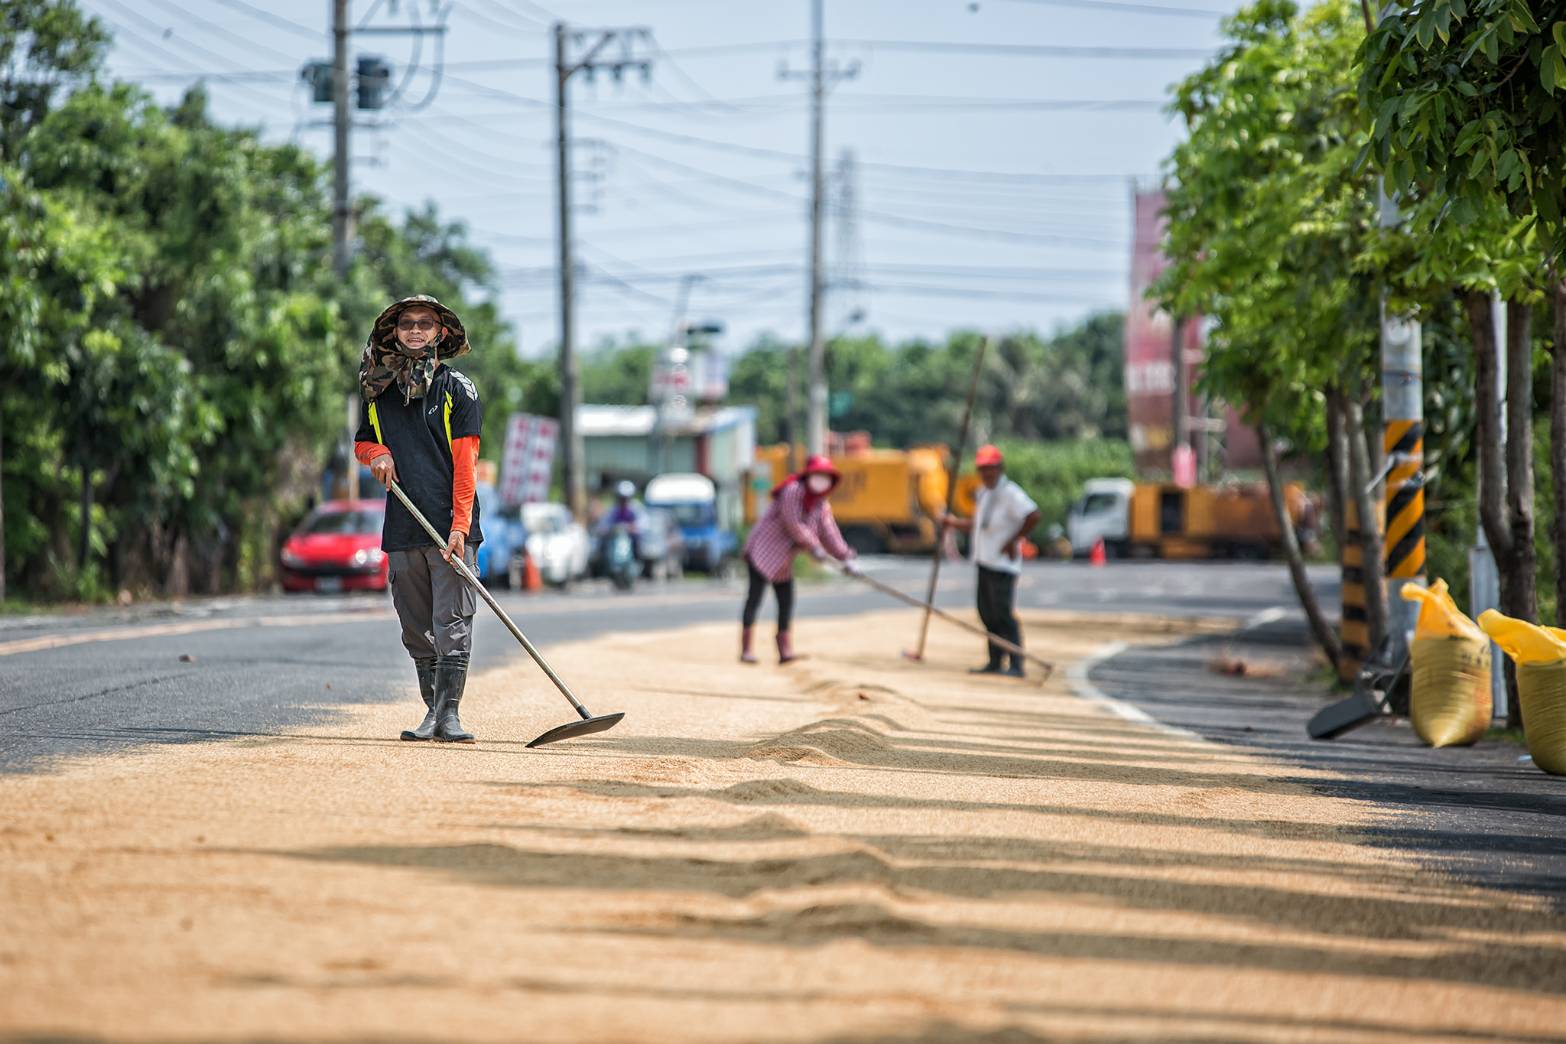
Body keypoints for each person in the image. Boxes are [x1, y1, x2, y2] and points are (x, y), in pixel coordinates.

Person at [352, 295, 485, 743]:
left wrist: (460, 530)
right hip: (404, 526)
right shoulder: (378, 390)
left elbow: (466, 468)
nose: (415, 330)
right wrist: (378, 454)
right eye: (407, 323)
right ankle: (431, 712)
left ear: (440, 333)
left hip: (450, 526)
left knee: (452, 622)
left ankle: (450, 716)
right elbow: (362, 441)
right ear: (395, 332)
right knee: (415, 624)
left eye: (424, 324)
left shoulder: (457, 390)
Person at [741, 454, 858, 664]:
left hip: (783, 560)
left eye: (826, 476)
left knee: (786, 601)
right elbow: (793, 524)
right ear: (809, 476)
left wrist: (845, 556)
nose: (821, 480)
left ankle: (784, 649)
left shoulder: (821, 504)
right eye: (818, 475)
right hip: (763, 551)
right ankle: (746, 648)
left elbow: (829, 531)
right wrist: (814, 547)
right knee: (754, 599)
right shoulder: (793, 491)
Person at [941, 444, 1040, 677]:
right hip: (984, 560)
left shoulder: (1011, 493)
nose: (986, 474)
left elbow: (1033, 515)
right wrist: (953, 523)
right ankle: (995, 660)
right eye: (982, 469)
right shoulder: (984, 493)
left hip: (1003, 564)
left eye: (990, 469)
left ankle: (1016, 663)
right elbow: (979, 524)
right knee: (986, 613)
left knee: (1003, 614)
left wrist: (1013, 540)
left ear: (1000, 468)